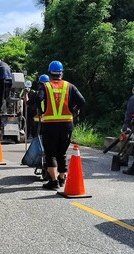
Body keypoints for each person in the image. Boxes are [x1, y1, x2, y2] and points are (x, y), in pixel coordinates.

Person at [35, 61, 86, 190]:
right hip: (66, 125)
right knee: (62, 152)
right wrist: (74, 110)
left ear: (49, 74)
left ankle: (53, 181)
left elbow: (37, 99)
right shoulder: (69, 86)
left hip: (50, 125)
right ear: (61, 73)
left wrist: (40, 111)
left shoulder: (45, 86)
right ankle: (62, 178)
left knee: (50, 153)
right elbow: (82, 101)